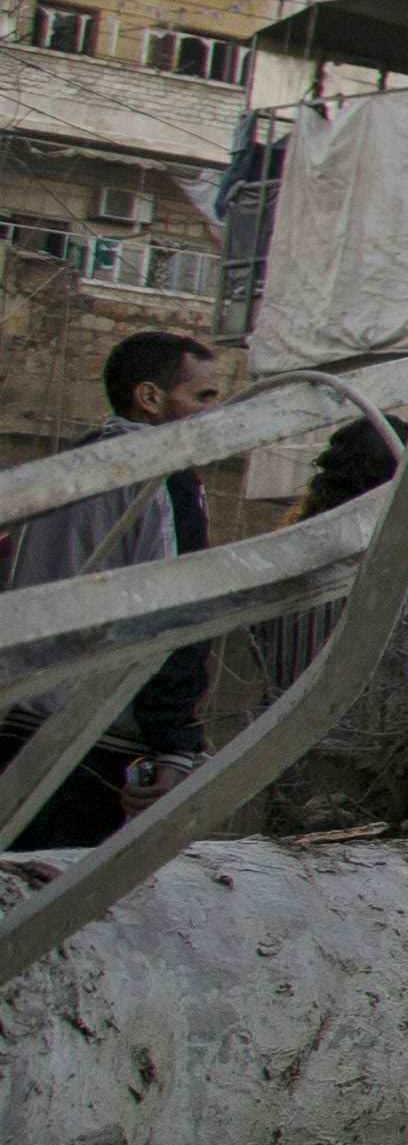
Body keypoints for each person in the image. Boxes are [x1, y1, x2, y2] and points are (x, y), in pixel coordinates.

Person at [6, 331, 229, 849]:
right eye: (202, 397)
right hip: (94, 740)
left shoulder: (65, 472)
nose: (215, 414)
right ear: (150, 398)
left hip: (21, 725)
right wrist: (174, 745)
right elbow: (176, 614)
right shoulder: (162, 478)